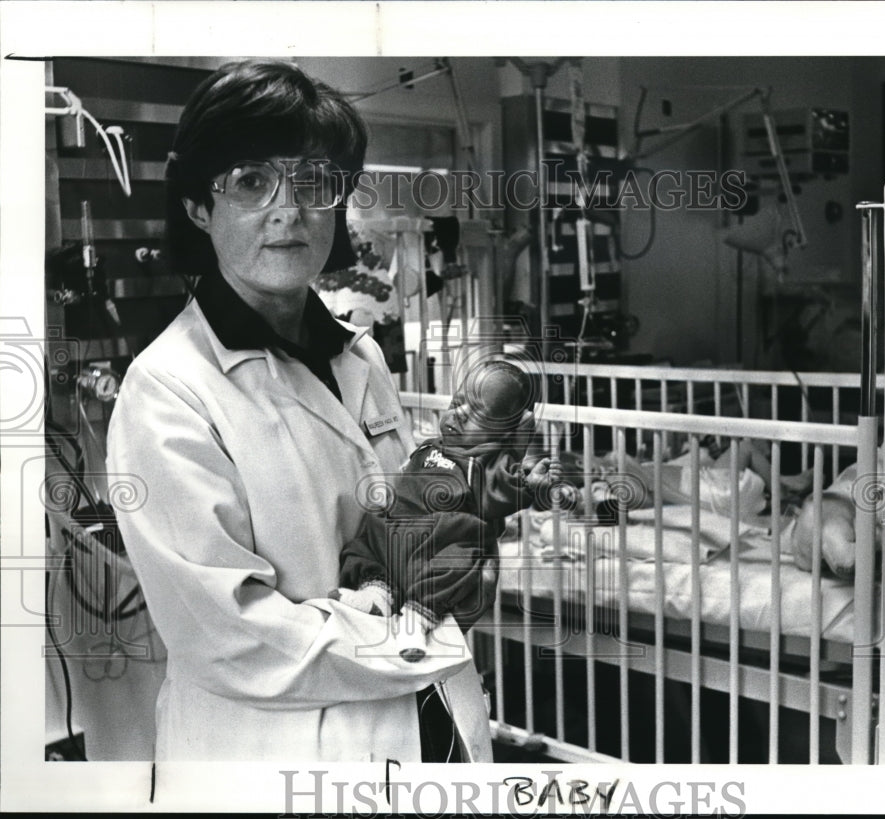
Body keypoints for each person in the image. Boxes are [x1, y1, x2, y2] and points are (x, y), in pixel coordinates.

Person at [106, 60, 494, 763]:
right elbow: (236, 637)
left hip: (423, 728)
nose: (289, 209)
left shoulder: (360, 357)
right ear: (200, 205)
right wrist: (419, 627)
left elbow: (399, 529)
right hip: (275, 754)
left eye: (315, 182)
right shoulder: (167, 389)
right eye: (251, 180)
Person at [336, 360, 562, 661]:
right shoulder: (430, 447)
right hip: (397, 527)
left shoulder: (482, 463)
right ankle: (377, 594)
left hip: (438, 540)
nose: (459, 414)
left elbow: (503, 493)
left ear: (503, 433)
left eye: (477, 414)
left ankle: (417, 619)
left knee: (464, 556)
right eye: (457, 402)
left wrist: (529, 483)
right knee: (365, 539)